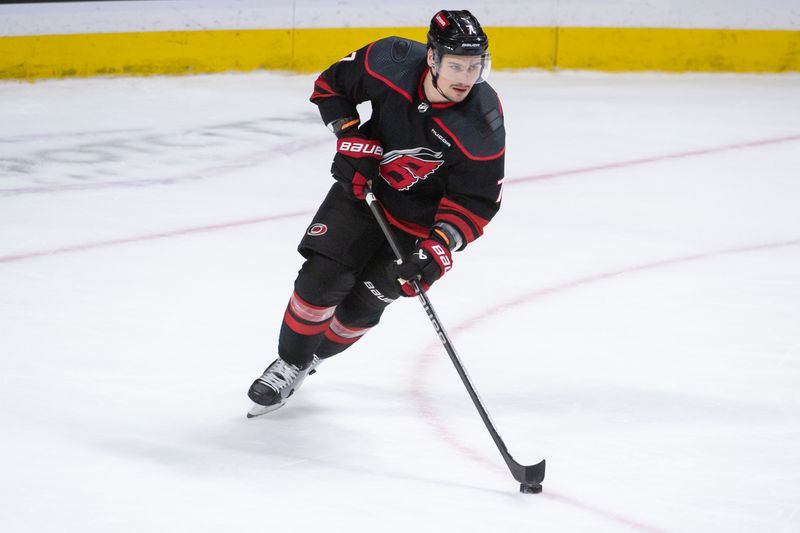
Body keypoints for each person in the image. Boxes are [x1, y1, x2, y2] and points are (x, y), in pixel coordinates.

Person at [247, 9, 506, 416]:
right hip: (363, 193)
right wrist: (349, 136)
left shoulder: (482, 121)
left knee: (361, 307)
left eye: (475, 67)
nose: (465, 78)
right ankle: (290, 363)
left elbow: (476, 201)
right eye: (456, 65)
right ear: (432, 59)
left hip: (417, 229)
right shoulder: (391, 60)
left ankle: (314, 358)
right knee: (321, 281)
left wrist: (439, 245)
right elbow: (332, 85)